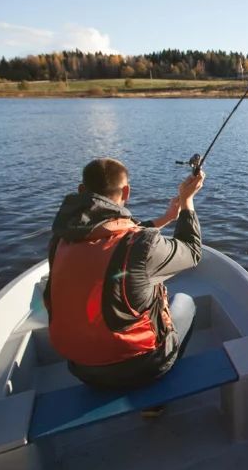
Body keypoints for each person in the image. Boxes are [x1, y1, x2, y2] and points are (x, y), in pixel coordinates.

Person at [44, 157, 205, 390]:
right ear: (126, 192)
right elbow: (191, 252)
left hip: (81, 369)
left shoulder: (59, 241)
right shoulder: (141, 246)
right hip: (142, 366)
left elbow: (112, 233)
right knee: (185, 302)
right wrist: (187, 201)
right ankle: (159, 392)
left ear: (81, 190)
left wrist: (167, 217)